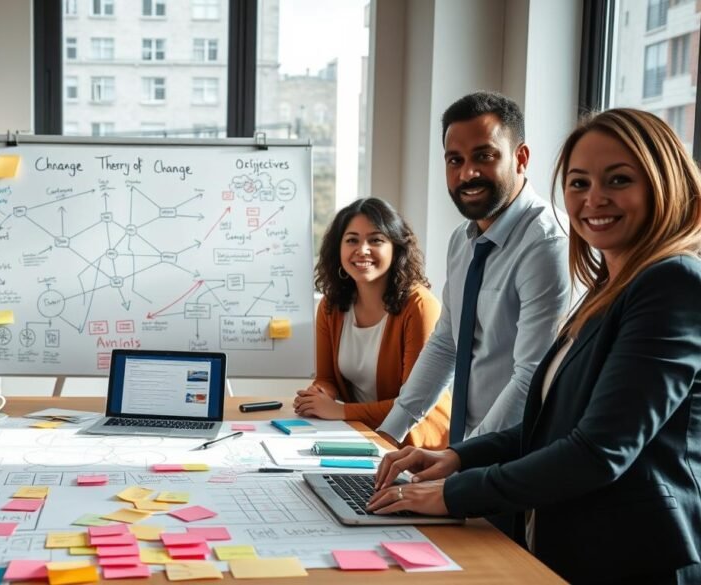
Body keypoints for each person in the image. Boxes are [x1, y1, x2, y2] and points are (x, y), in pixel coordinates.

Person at [368, 108, 701, 584]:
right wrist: (459, 457)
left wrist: (453, 492)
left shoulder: (672, 282)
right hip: (571, 544)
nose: (594, 199)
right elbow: (551, 423)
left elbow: (598, 451)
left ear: (662, 183)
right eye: (579, 182)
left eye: (619, 179)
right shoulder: (609, 288)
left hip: (636, 558)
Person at [378, 91, 570, 448]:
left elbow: (532, 376)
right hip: (473, 449)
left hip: (519, 452)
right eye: (455, 160)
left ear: (521, 158)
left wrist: (461, 458)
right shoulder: (462, 240)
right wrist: (387, 435)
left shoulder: (547, 243)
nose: (467, 173)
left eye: (484, 156)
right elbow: (446, 345)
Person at [292, 197, 451, 448]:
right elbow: (326, 379)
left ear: (396, 248)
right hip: (361, 436)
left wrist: (338, 411)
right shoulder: (331, 306)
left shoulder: (420, 306)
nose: (362, 250)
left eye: (376, 240)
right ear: (338, 249)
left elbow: (412, 404)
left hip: (416, 444)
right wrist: (319, 395)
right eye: (352, 240)